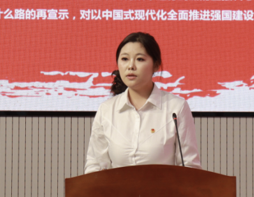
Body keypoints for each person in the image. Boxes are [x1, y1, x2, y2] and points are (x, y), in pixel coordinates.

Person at [84, 32, 202, 173]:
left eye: (140, 59)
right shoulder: (106, 110)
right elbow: (95, 165)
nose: (131, 66)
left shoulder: (176, 108)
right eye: (125, 59)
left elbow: (190, 167)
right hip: (117, 188)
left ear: (156, 65)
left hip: (163, 188)